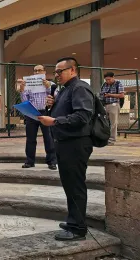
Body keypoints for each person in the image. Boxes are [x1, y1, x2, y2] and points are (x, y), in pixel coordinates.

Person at [38, 57, 94, 241]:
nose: (56, 75)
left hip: (76, 144)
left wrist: (54, 121)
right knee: (69, 184)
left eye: (59, 71)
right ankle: (73, 220)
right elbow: (65, 113)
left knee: (75, 185)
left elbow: (83, 116)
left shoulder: (80, 88)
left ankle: (78, 228)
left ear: (73, 70)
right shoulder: (64, 90)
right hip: (64, 142)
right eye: (55, 72)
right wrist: (52, 108)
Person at [17, 65, 57, 170]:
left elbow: (55, 95)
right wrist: (22, 90)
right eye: (35, 71)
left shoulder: (50, 84)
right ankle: (30, 161)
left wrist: (48, 87)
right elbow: (24, 100)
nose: (37, 72)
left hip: (45, 112)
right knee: (30, 138)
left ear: (44, 71)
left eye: (39, 70)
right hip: (31, 113)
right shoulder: (29, 84)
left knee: (48, 137)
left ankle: (52, 161)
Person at [100, 72, 124, 145]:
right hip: (105, 105)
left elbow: (121, 95)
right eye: (106, 80)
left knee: (113, 123)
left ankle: (112, 140)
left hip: (114, 105)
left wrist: (109, 95)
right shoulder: (104, 85)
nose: (107, 81)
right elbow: (101, 94)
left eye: (109, 79)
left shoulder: (118, 84)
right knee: (104, 123)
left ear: (113, 77)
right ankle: (105, 138)